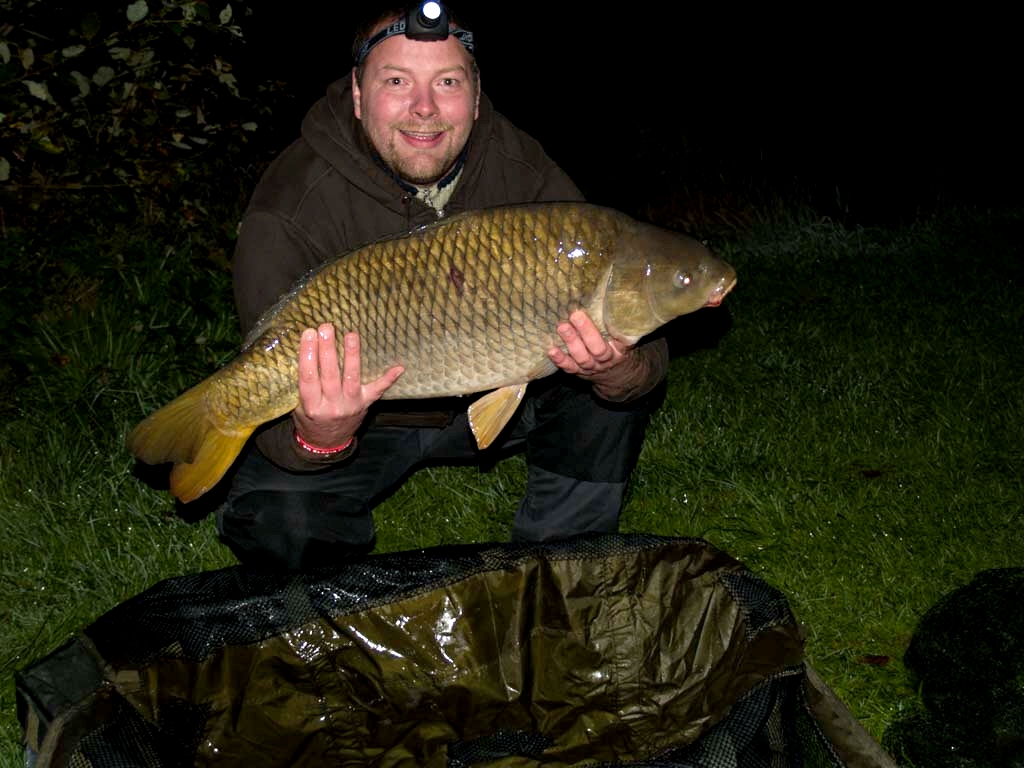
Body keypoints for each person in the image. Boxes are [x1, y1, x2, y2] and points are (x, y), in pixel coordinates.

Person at [218, 2, 670, 570]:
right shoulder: (293, 205)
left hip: (514, 385)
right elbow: (267, 371)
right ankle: (337, 604)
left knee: (609, 394)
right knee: (277, 518)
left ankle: (555, 565)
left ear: (476, 99)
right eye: (397, 82)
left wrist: (618, 370)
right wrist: (319, 434)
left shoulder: (523, 171)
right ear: (358, 97)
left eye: (448, 82)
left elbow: (641, 342)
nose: (424, 109)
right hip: (374, 417)